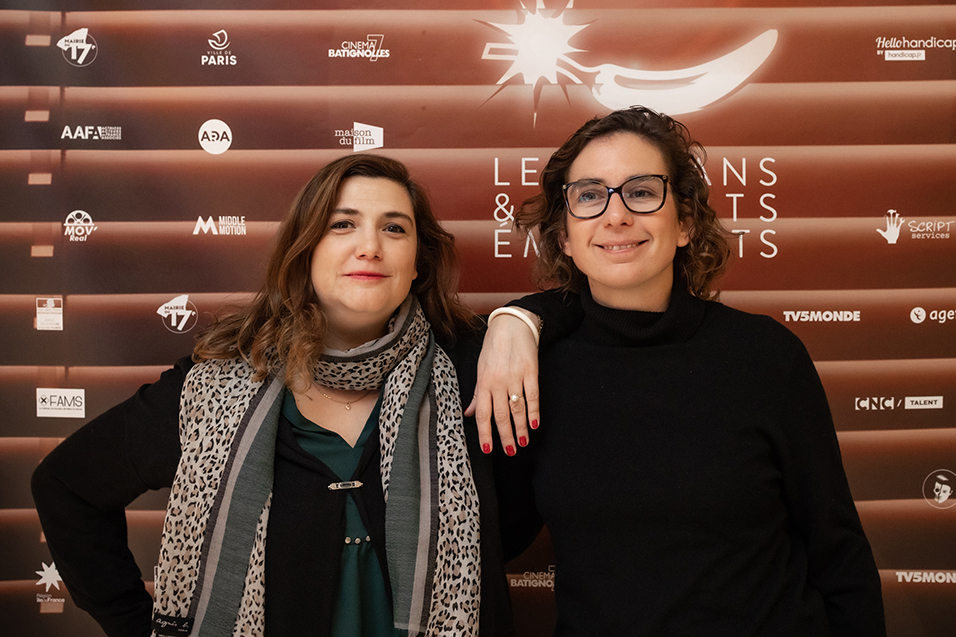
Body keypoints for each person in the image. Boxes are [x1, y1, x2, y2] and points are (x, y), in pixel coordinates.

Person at [31, 154, 552, 637]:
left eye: (394, 228)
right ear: (305, 250)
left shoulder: (474, 374)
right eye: (342, 224)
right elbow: (66, 486)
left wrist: (520, 319)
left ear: (418, 261)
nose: (370, 246)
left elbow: (509, 525)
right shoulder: (213, 388)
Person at [474, 107, 886, 635]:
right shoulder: (530, 371)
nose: (616, 215)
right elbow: (494, 538)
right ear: (564, 238)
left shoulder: (766, 356)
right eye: (590, 195)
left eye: (642, 192)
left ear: (686, 223)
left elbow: (839, 554)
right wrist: (514, 318)